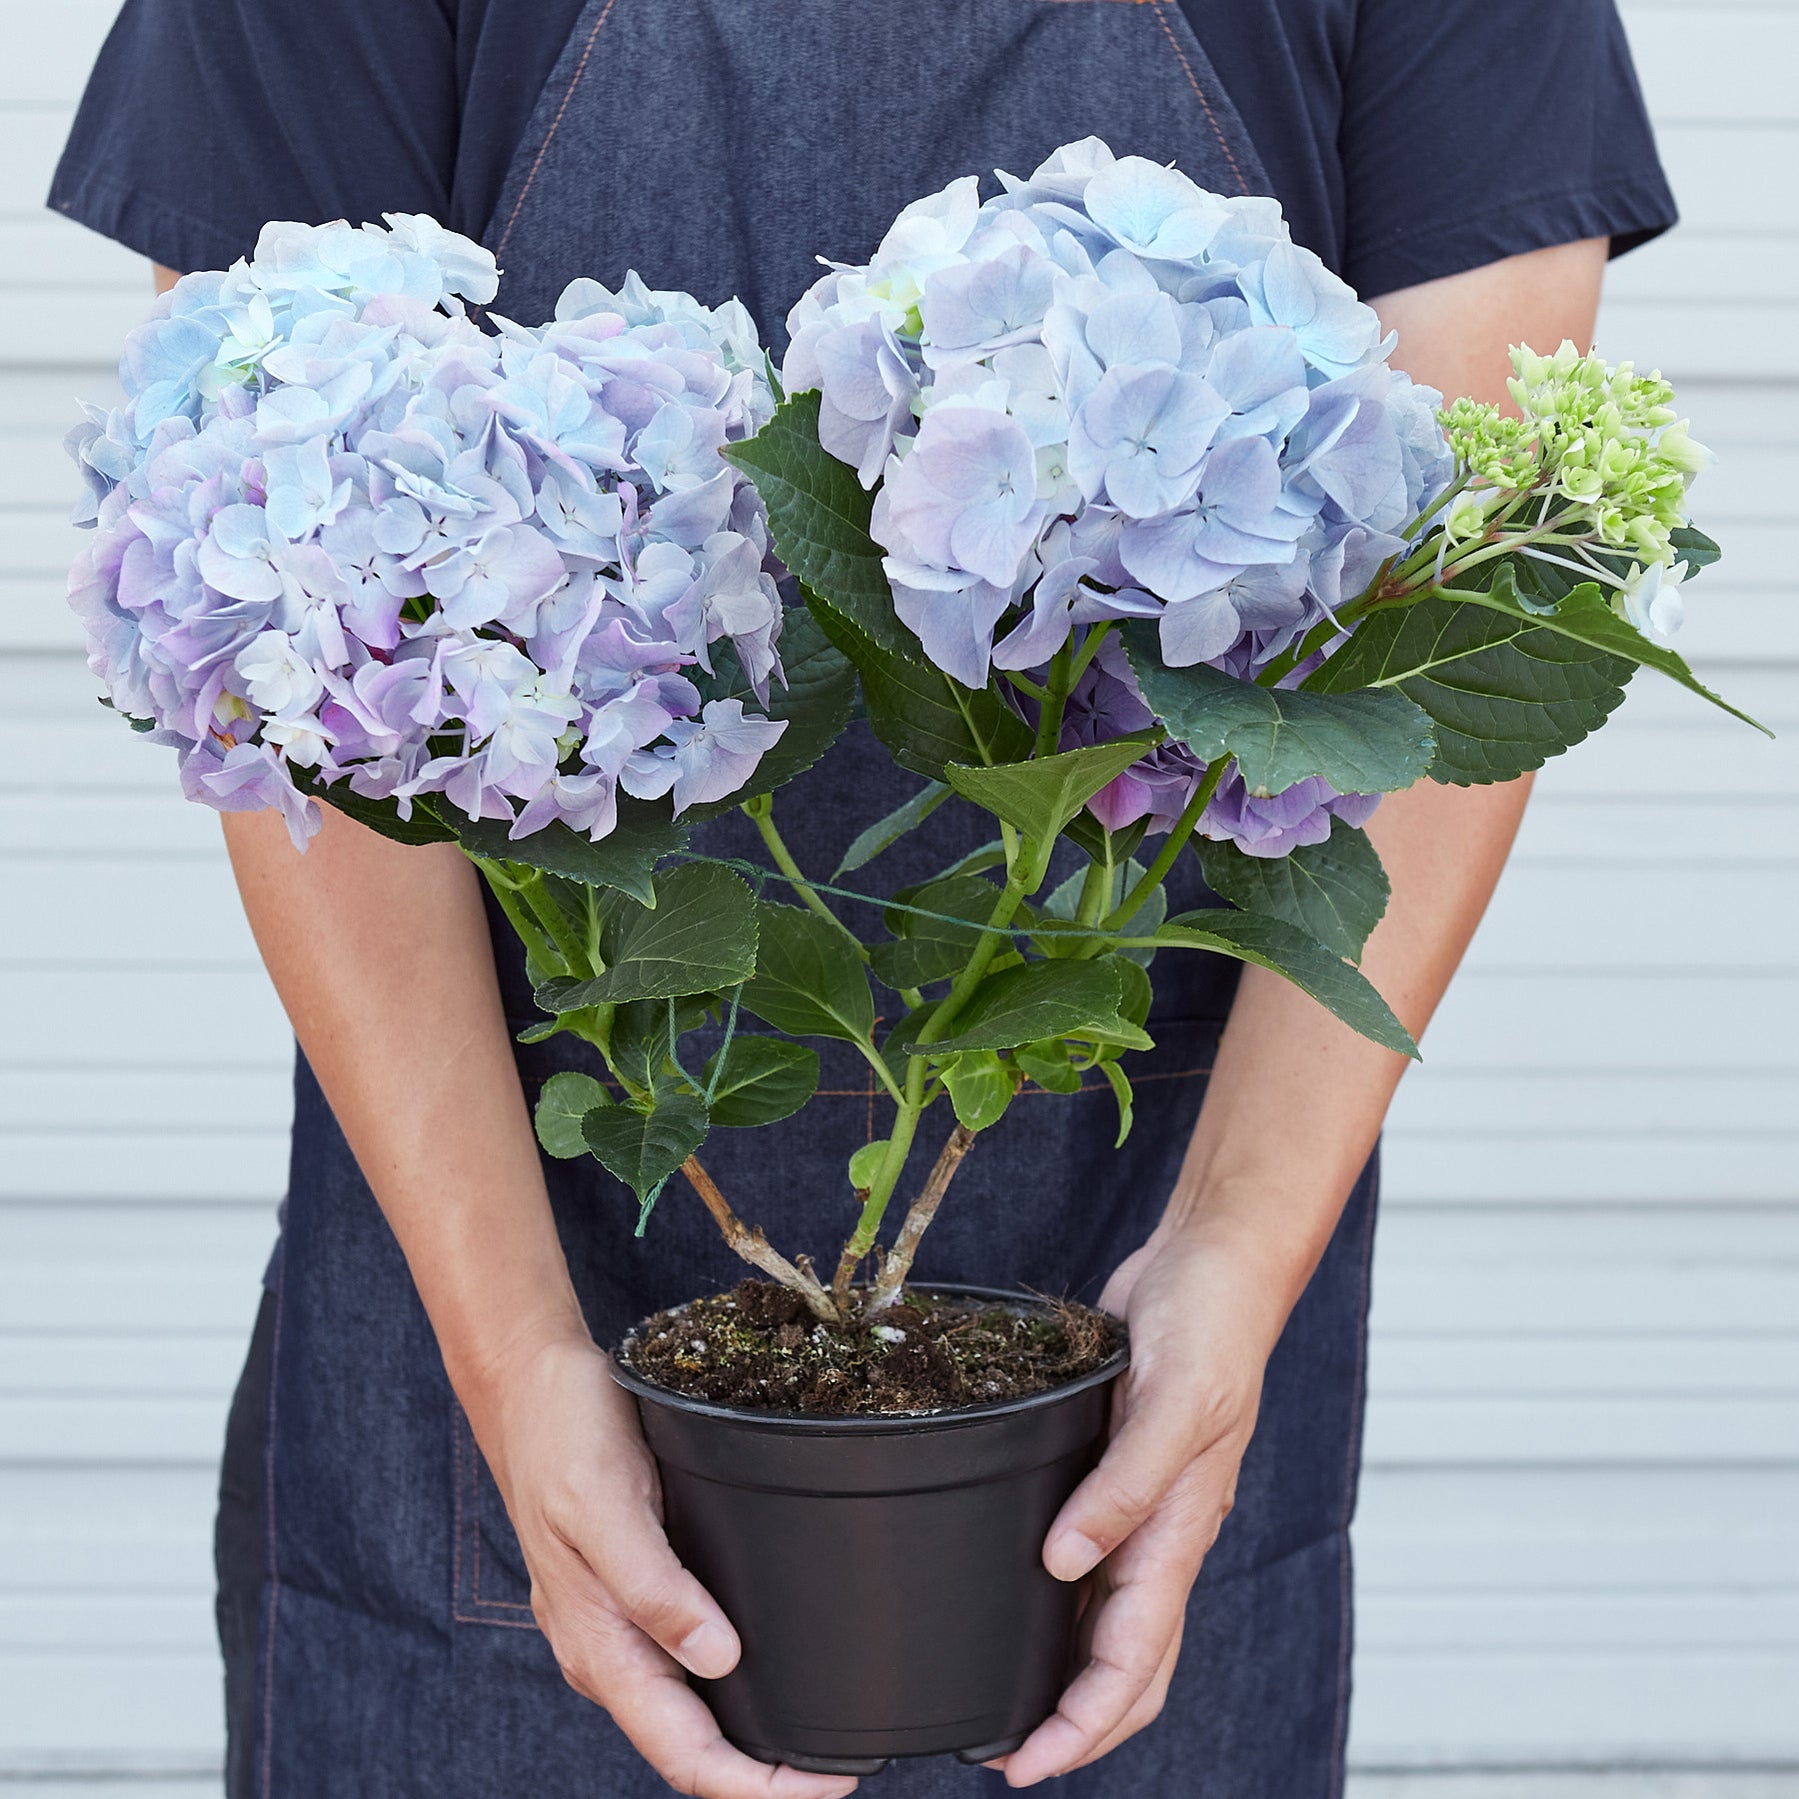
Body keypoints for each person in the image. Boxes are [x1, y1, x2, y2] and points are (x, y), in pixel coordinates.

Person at [51, 3, 1675, 1794]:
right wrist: (515, 1361)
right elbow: (286, 582)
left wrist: (1233, 1246)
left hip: (1158, 1258)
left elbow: (1461, 607)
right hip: (515, 1248)